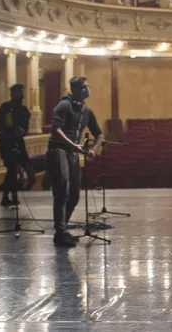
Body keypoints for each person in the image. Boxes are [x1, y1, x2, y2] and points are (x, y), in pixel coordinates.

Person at [46, 76, 103, 247]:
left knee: (74, 195)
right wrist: (75, 146)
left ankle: (62, 229)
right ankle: (60, 232)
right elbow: (56, 130)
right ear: (75, 90)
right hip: (58, 150)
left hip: (72, 152)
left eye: (87, 86)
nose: (87, 90)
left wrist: (92, 149)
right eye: (84, 87)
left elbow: (98, 134)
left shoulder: (87, 111)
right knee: (62, 190)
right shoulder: (64, 105)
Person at [0, 84, 31, 207]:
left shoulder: (24, 110)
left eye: (22, 92)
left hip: (18, 142)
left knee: (13, 170)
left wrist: (22, 131)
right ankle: (9, 196)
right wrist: (11, 131)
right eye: (18, 92)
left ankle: (8, 196)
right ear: (12, 93)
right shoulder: (5, 108)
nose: (21, 95)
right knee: (11, 169)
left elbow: (26, 125)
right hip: (7, 142)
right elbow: (0, 125)